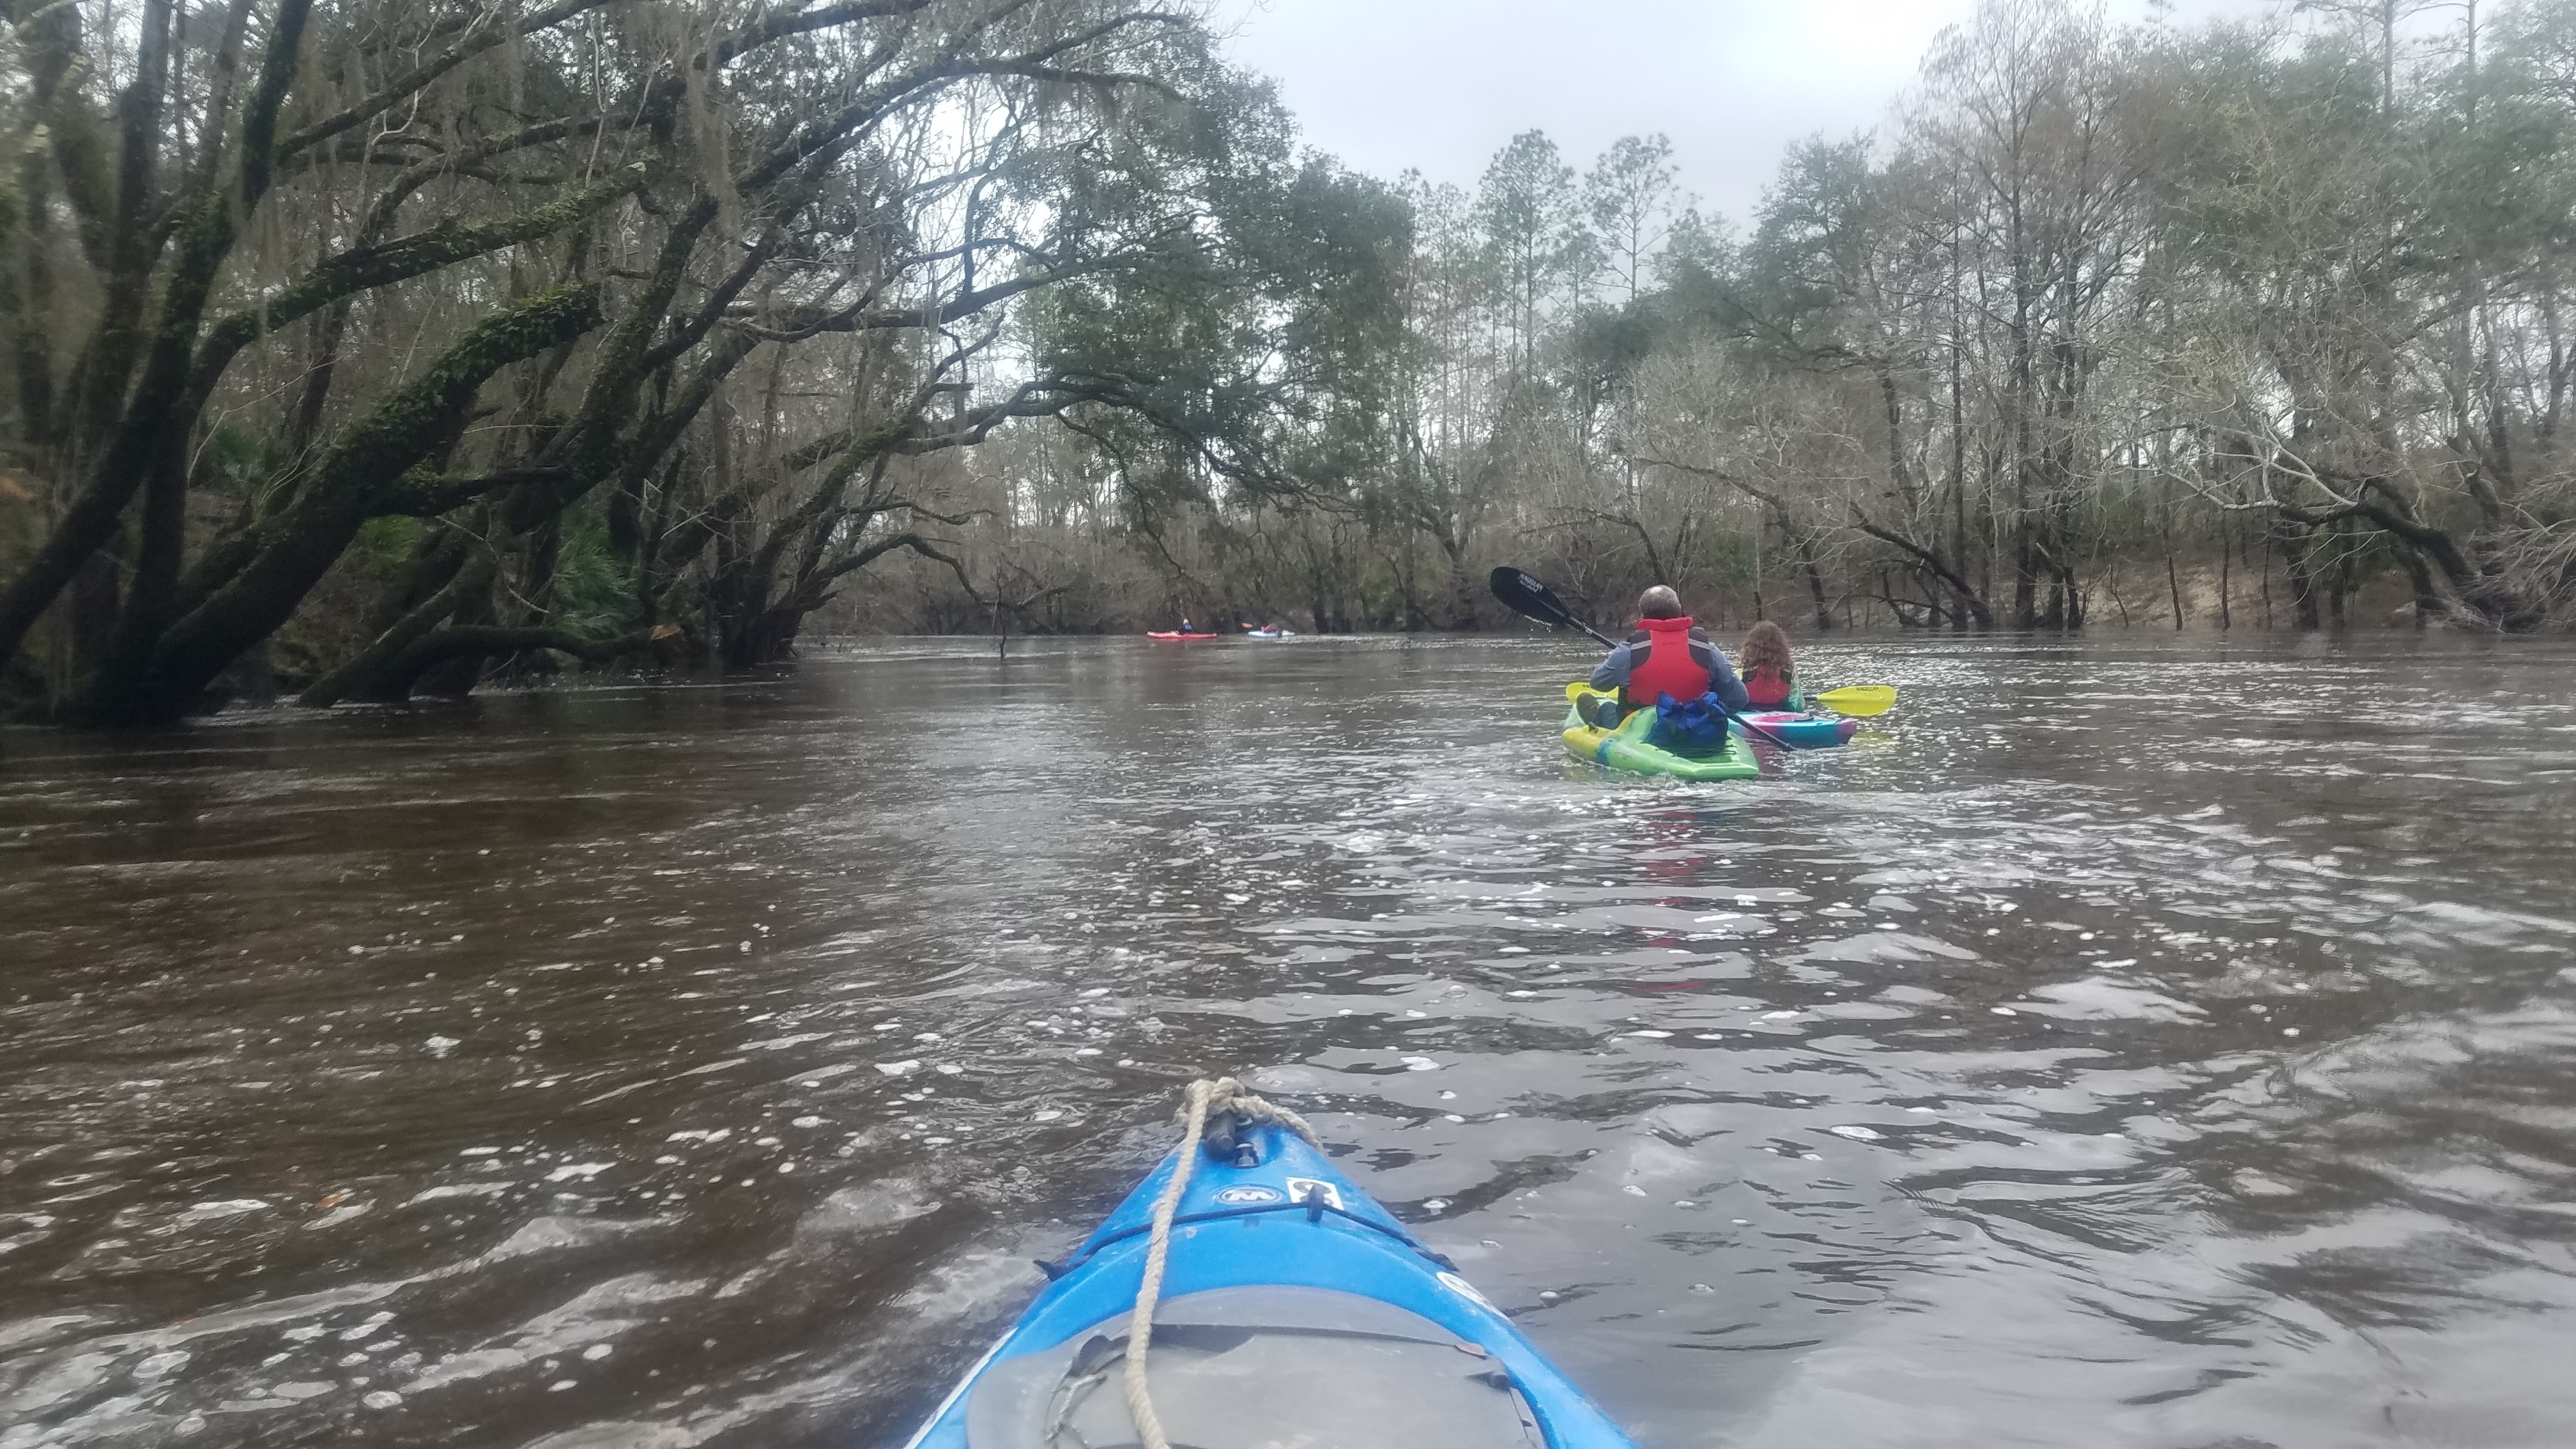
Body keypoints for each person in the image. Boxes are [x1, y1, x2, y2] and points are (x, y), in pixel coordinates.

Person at [1586, 586, 1747, 728]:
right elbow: (1740, 698)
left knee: (1595, 703)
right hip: (1695, 729)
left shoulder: (1627, 651)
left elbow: (1598, 684)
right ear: (1679, 611)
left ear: (1643, 617)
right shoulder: (1707, 649)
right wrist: (1713, 712)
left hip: (1639, 732)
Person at [1737, 620, 1797, 709]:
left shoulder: (1742, 672)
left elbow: (1733, 701)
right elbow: (1798, 705)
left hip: (1747, 719)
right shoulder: (1789, 671)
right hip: (1781, 718)